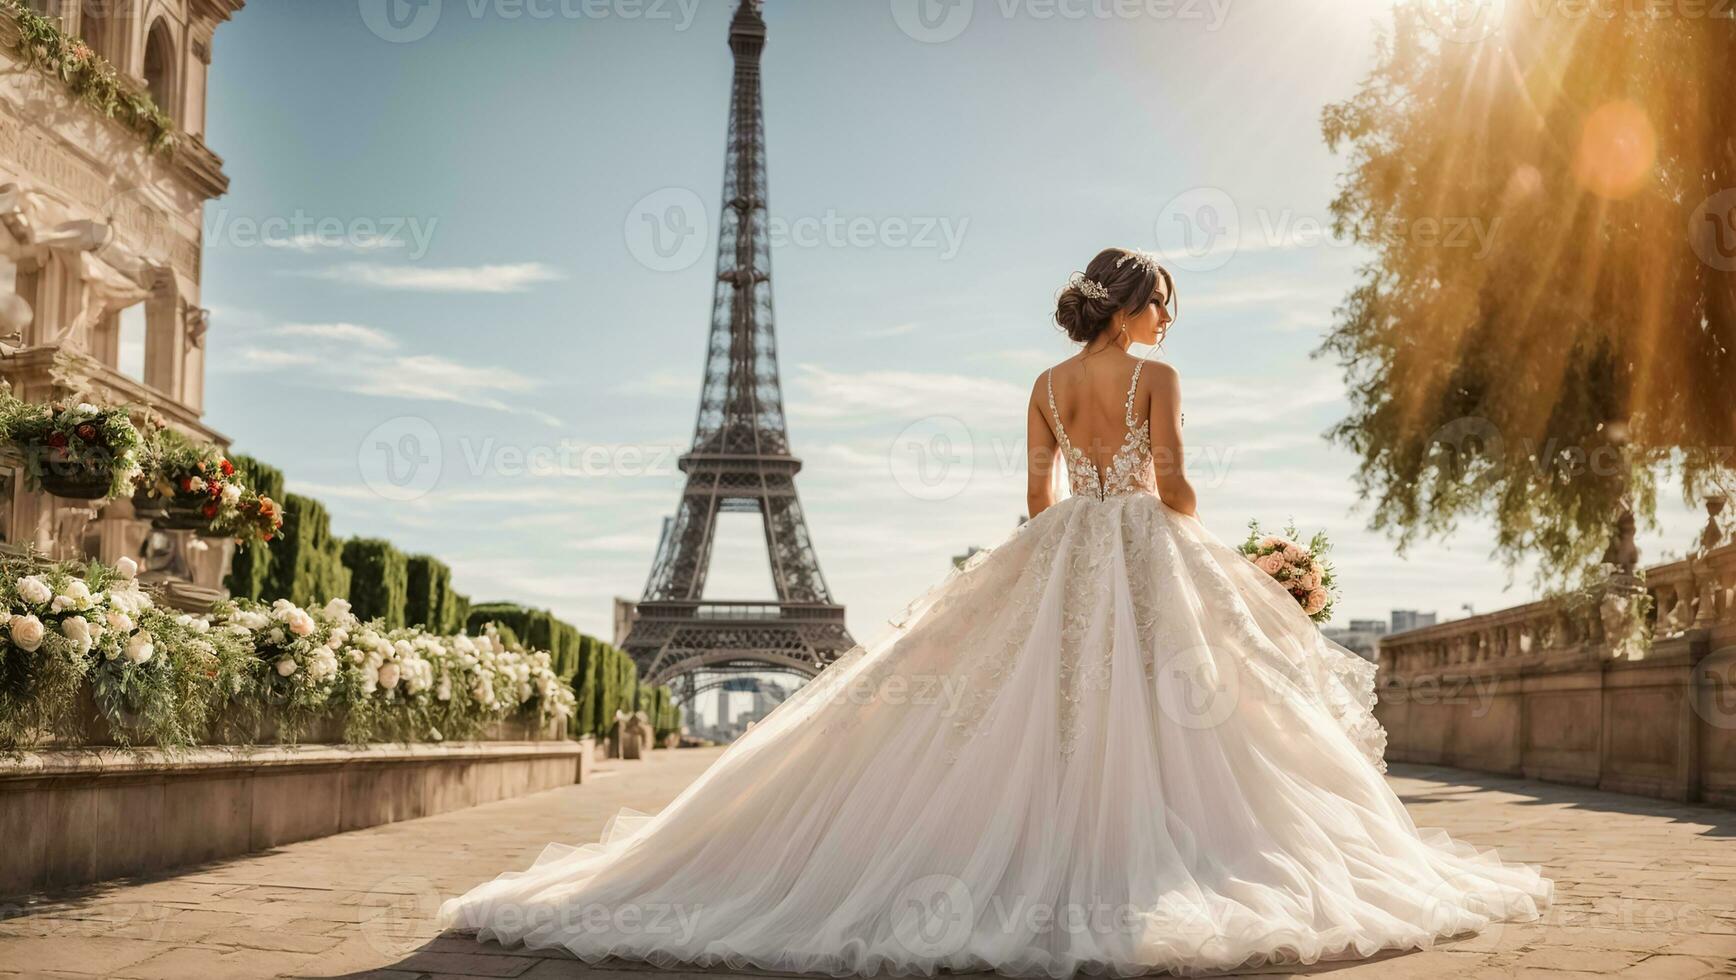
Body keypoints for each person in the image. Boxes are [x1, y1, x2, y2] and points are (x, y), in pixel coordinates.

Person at [440, 247, 1552, 978]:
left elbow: (1034, 501)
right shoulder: (1153, 380)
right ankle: (1125, 853)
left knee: (1040, 703)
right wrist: (1230, 556)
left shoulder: (1040, 381)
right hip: (1136, 545)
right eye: (1163, 300)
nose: (1168, 316)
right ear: (1131, 304)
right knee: (1172, 710)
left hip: (1062, 549)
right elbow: (1169, 483)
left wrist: (1087, 527)